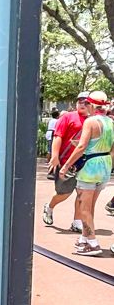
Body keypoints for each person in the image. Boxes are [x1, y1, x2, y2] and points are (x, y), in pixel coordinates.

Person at [59, 90, 113, 256]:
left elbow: (81, 147)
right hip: (105, 165)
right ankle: (84, 238)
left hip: (90, 168)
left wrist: (66, 166)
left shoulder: (90, 122)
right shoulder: (111, 122)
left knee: (84, 207)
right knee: (90, 207)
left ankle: (93, 243)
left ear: (91, 105)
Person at [43, 92, 91, 229]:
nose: (83, 104)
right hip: (66, 161)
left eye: (86, 102)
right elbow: (58, 136)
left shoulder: (93, 120)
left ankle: (77, 222)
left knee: (82, 193)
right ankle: (49, 206)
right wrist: (54, 157)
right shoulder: (68, 117)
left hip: (85, 162)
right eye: (80, 101)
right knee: (64, 192)